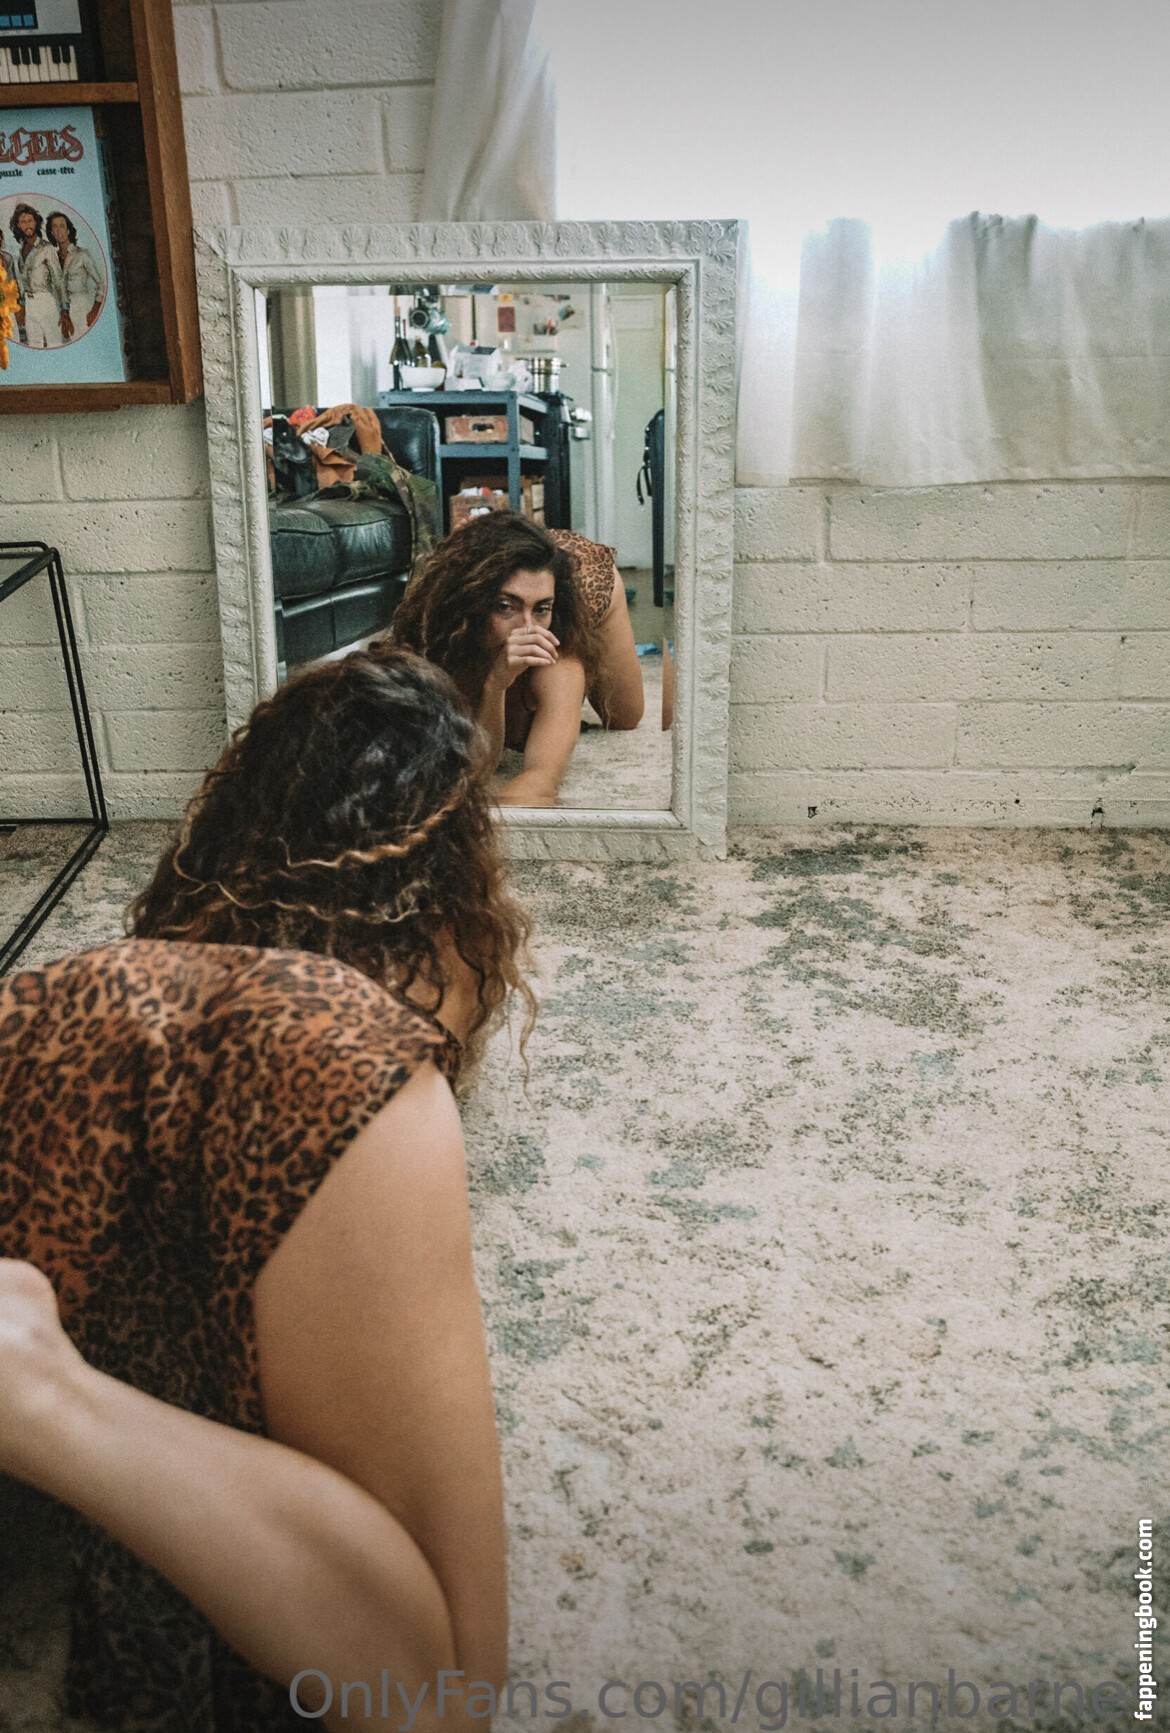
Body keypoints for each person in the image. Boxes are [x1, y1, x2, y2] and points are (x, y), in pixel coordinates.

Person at [0, 646, 531, 1733]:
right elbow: (443, 1696)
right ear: (448, 883)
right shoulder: (343, 1054)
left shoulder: (72, 1000)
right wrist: (52, 1399)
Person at [391, 511, 645, 807]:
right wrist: (496, 684)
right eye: (504, 607)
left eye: (541, 610)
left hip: (585, 578)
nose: (528, 628)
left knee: (624, 717)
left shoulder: (558, 659)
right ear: (471, 602)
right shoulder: (443, 640)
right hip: (495, 599)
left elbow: (541, 781)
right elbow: (476, 769)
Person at [8, 203, 67, 348]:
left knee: (54, 344)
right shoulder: (20, 251)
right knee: (34, 345)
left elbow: (58, 280)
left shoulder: (46, 248)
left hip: (46, 302)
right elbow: (21, 283)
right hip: (29, 305)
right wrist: (22, 306)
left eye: (30, 220)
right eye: (23, 221)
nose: (27, 225)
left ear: (36, 222)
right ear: (18, 225)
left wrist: (64, 310)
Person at [46, 210, 104, 338]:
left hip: (82, 309)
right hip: (62, 313)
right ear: (51, 232)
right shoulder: (52, 259)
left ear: (68, 230)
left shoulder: (81, 254)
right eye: (55, 227)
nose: (59, 231)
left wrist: (95, 310)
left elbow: (101, 283)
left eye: (62, 226)